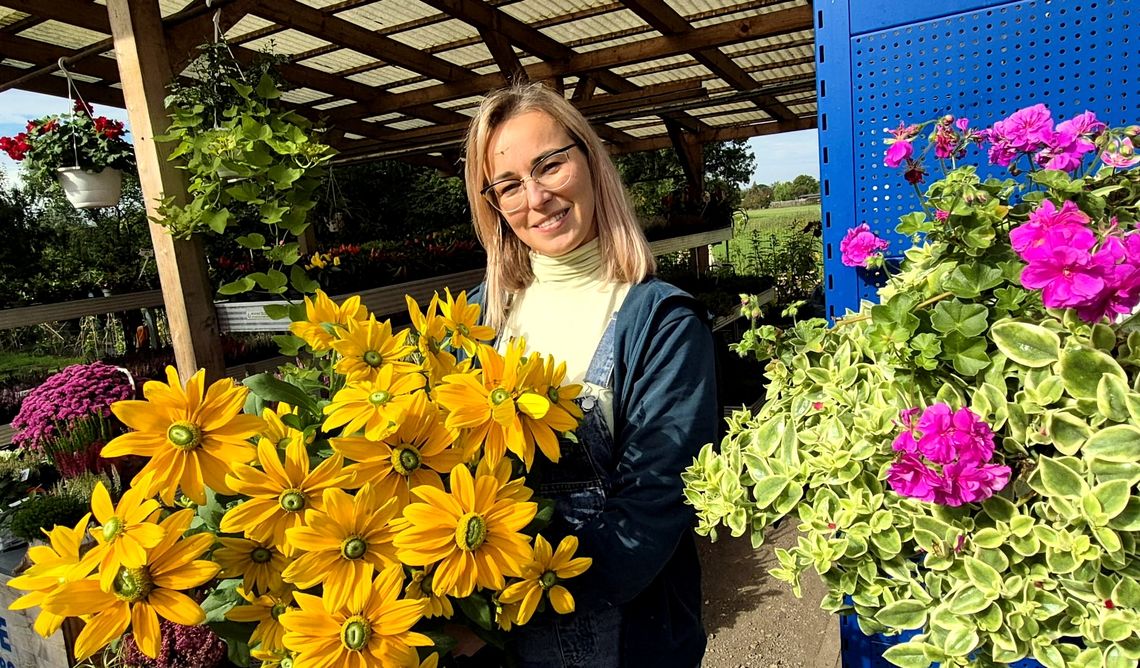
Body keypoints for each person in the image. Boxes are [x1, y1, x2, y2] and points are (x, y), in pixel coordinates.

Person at [461, 82, 718, 667]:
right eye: (508, 184)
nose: (536, 197)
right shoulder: (476, 317)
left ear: (590, 160)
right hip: (491, 637)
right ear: (493, 203)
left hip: (624, 631)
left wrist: (508, 607)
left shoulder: (661, 321)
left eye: (549, 165)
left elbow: (654, 506)